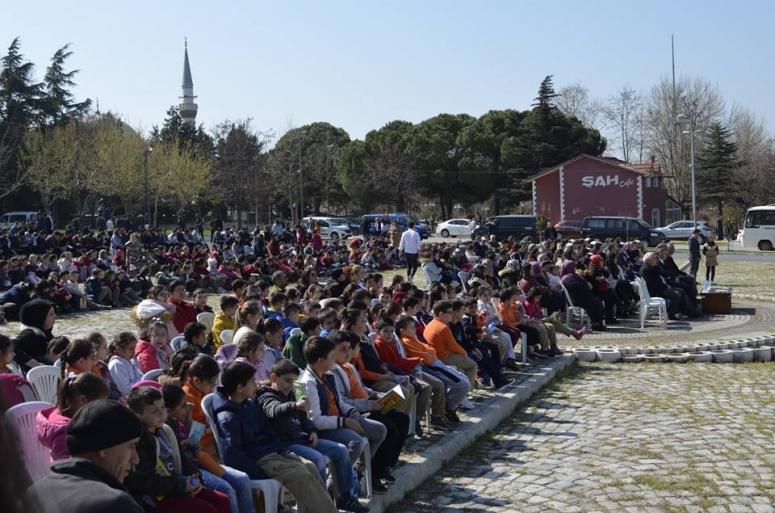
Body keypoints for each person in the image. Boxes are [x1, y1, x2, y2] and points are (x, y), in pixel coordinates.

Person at [213, 361, 339, 513]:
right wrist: (260, 471)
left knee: (309, 467)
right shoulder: (228, 417)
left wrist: (281, 450)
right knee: (300, 474)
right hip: (260, 461)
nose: (257, 383)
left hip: (274, 454)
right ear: (240, 388)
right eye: (253, 381)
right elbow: (232, 455)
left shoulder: (249, 405)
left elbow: (268, 432)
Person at [257, 359, 369, 513]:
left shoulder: (294, 392)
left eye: (293, 382)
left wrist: (312, 431)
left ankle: (345, 497)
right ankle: (315, 508)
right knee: (316, 459)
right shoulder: (266, 395)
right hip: (286, 444)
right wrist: (294, 406)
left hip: (302, 438)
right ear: (274, 378)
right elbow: (273, 410)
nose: (290, 385)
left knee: (341, 450)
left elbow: (305, 418)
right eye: (287, 381)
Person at [299, 335, 389, 493]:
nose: (335, 360)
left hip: (339, 420)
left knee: (379, 430)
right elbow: (316, 420)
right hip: (323, 429)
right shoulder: (308, 383)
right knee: (355, 442)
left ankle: (358, 470)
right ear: (321, 360)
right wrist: (345, 422)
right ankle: (337, 486)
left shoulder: (328, 375)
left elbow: (340, 403)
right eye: (331, 357)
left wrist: (354, 416)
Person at [26, 399, 145, 513]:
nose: (136, 459)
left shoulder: (32, 494)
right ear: (103, 447)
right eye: (131, 446)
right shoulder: (114, 505)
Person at [124, 386, 230, 513]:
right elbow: (145, 481)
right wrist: (184, 485)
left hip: (176, 485)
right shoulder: (139, 441)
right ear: (138, 414)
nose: (161, 413)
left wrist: (194, 479)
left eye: (163, 408)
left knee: (222, 500)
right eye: (154, 411)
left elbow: (182, 459)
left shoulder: (165, 430)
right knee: (207, 509)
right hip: (157, 498)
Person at [36, 373, 111, 460]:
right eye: (99, 404)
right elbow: (66, 469)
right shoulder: (65, 436)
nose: (101, 409)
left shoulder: (67, 417)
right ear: (83, 400)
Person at [13, 298, 56, 369]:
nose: (55, 317)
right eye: (51, 314)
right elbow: (12, 346)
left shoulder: (46, 333)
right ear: (39, 317)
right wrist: (35, 364)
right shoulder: (31, 333)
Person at [108, 332, 143, 396]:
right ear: (119, 349)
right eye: (131, 349)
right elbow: (126, 390)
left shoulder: (130, 361)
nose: (134, 351)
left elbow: (141, 377)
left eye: (135, 348)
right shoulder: (116, 365)